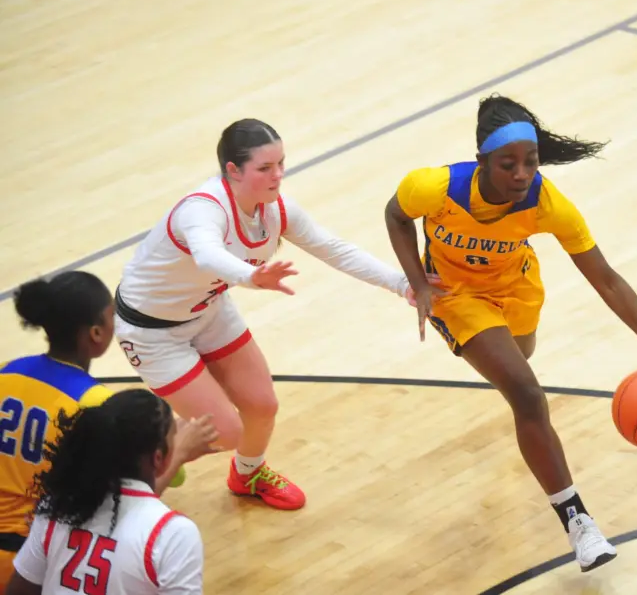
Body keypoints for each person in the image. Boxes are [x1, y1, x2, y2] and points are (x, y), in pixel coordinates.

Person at [384, 94, 637, 572]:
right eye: (509, 164)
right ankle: (579, 523)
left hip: (517, 288)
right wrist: (418, 283)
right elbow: (396, 215)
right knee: (526, 392)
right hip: (456, 295)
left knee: (522, 360)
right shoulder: (434, 187)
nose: (522, 174)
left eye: (531, 162)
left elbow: (606, 279)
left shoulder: (546, 203)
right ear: (482, 162)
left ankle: (527, 419)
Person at [113, 118, 416, 512]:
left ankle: (248, 475)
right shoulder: (202, 209)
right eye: (265, 168)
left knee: (262, 405)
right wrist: (250, 276)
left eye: (281, 164)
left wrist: (401, 284)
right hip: (151, 330)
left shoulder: (275, 210)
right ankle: (154, 445)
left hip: (208, 310)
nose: (278, 175)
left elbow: (334, 248)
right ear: (233, 170)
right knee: (225, 432)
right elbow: (208, 255)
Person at [0, 272, 214, 590]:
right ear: (97, 333)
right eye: (112, 315)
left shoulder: (8, 371)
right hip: (29, 559)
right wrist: (180, 450)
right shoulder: (97, 407)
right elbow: (125, 501)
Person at [6, 389, 206, 594]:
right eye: (174, 438)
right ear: (158, 458)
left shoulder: (58, 506)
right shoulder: (173, 533)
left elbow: (18, 591)